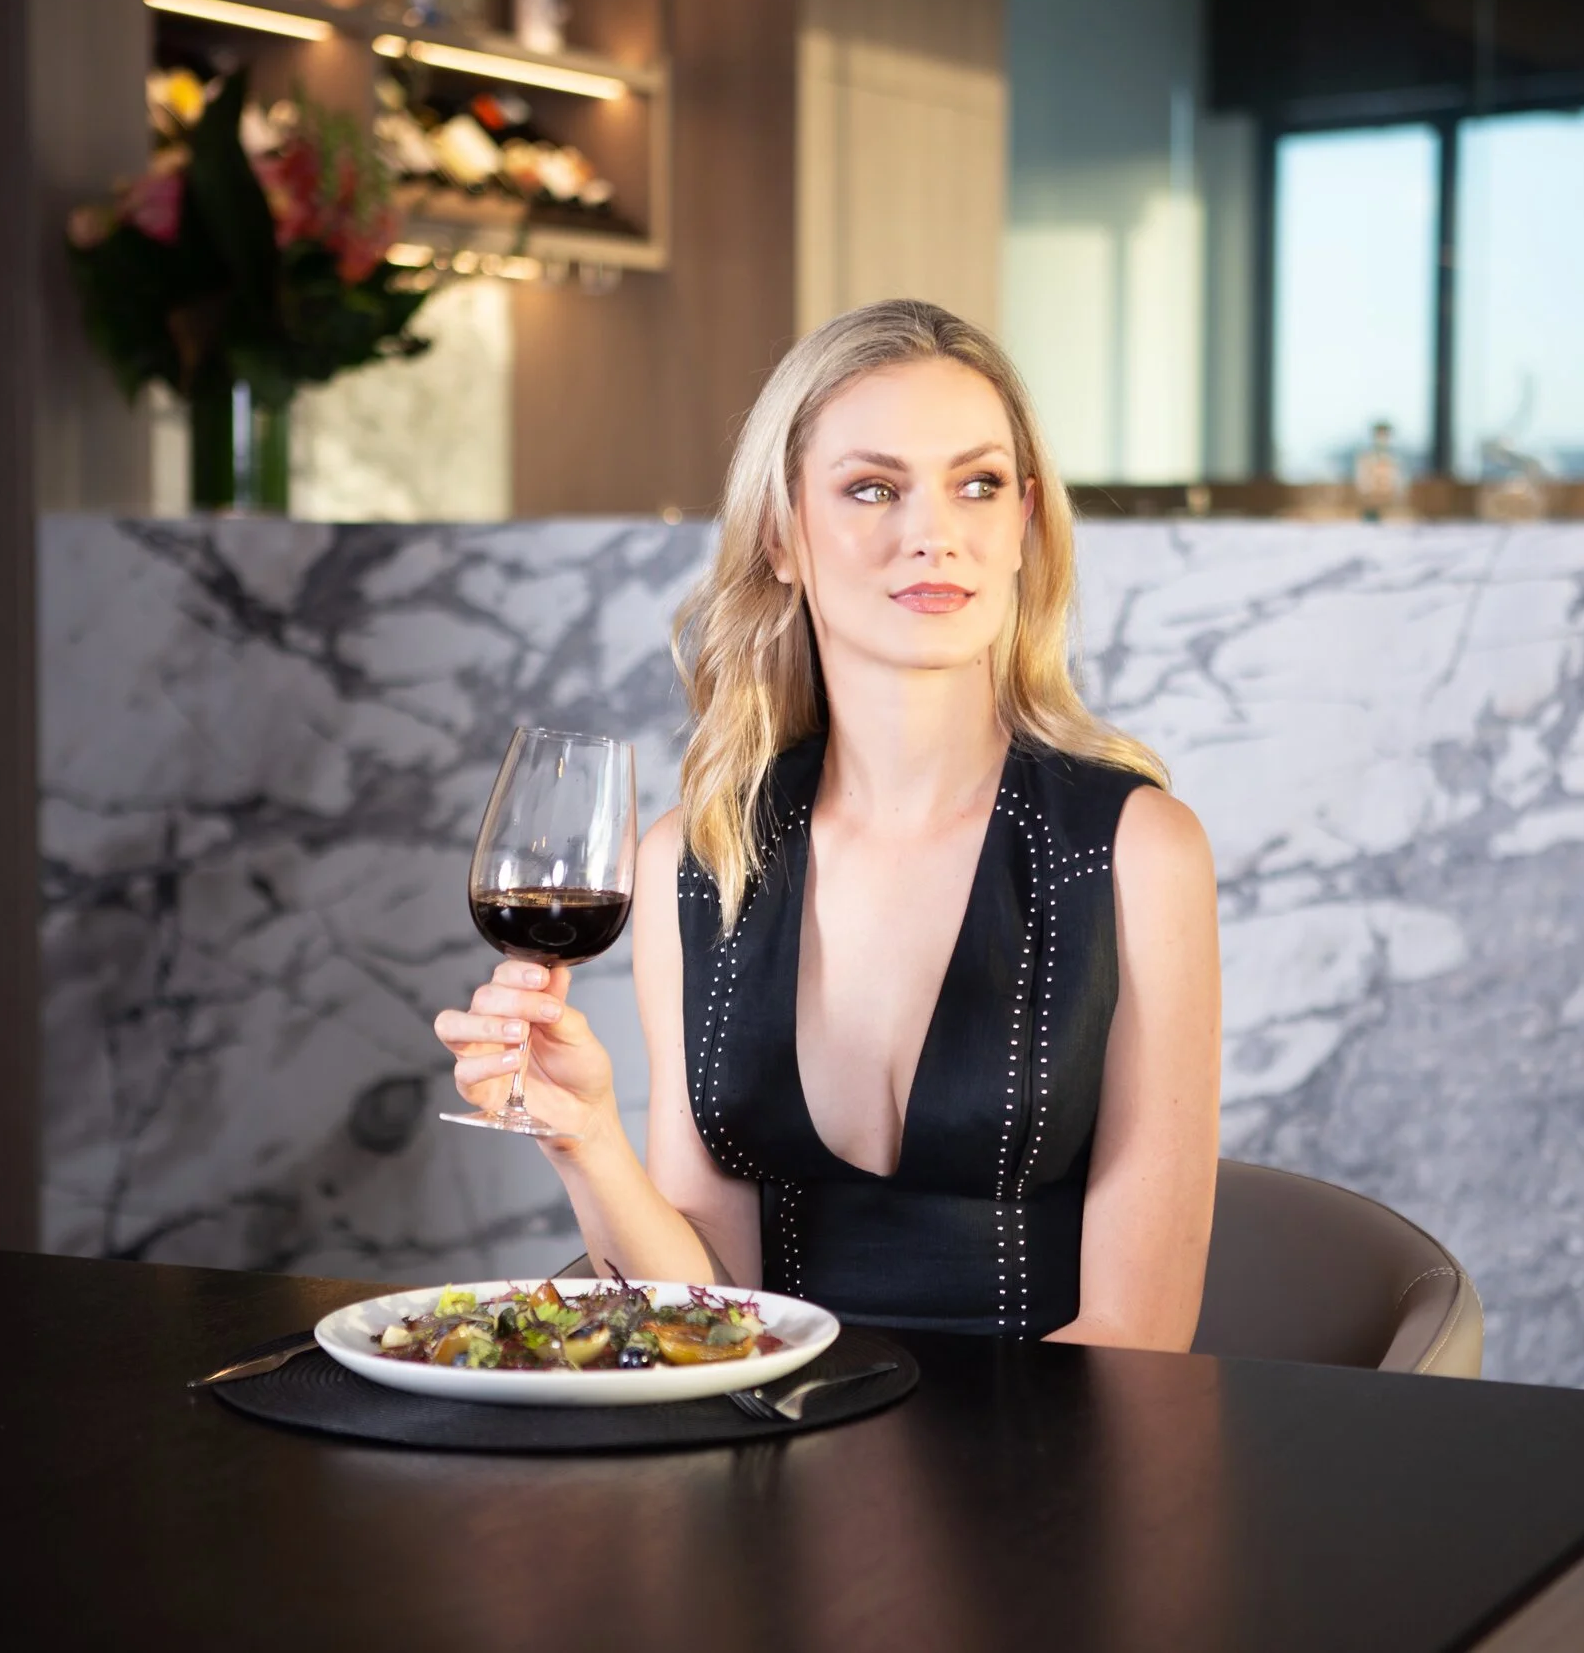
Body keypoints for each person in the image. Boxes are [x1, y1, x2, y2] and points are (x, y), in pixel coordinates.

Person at [434, 300, 1221, 1351]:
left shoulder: (1134, 852)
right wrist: (581, 1135)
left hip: (1043, 1472)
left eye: (977, 484)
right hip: (769, 1458)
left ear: (1026, 525)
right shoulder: (697, 858)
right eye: (872, 488)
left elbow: (1138, 1334)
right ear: (782, 535)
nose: (934, 533)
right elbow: (705, 1309)